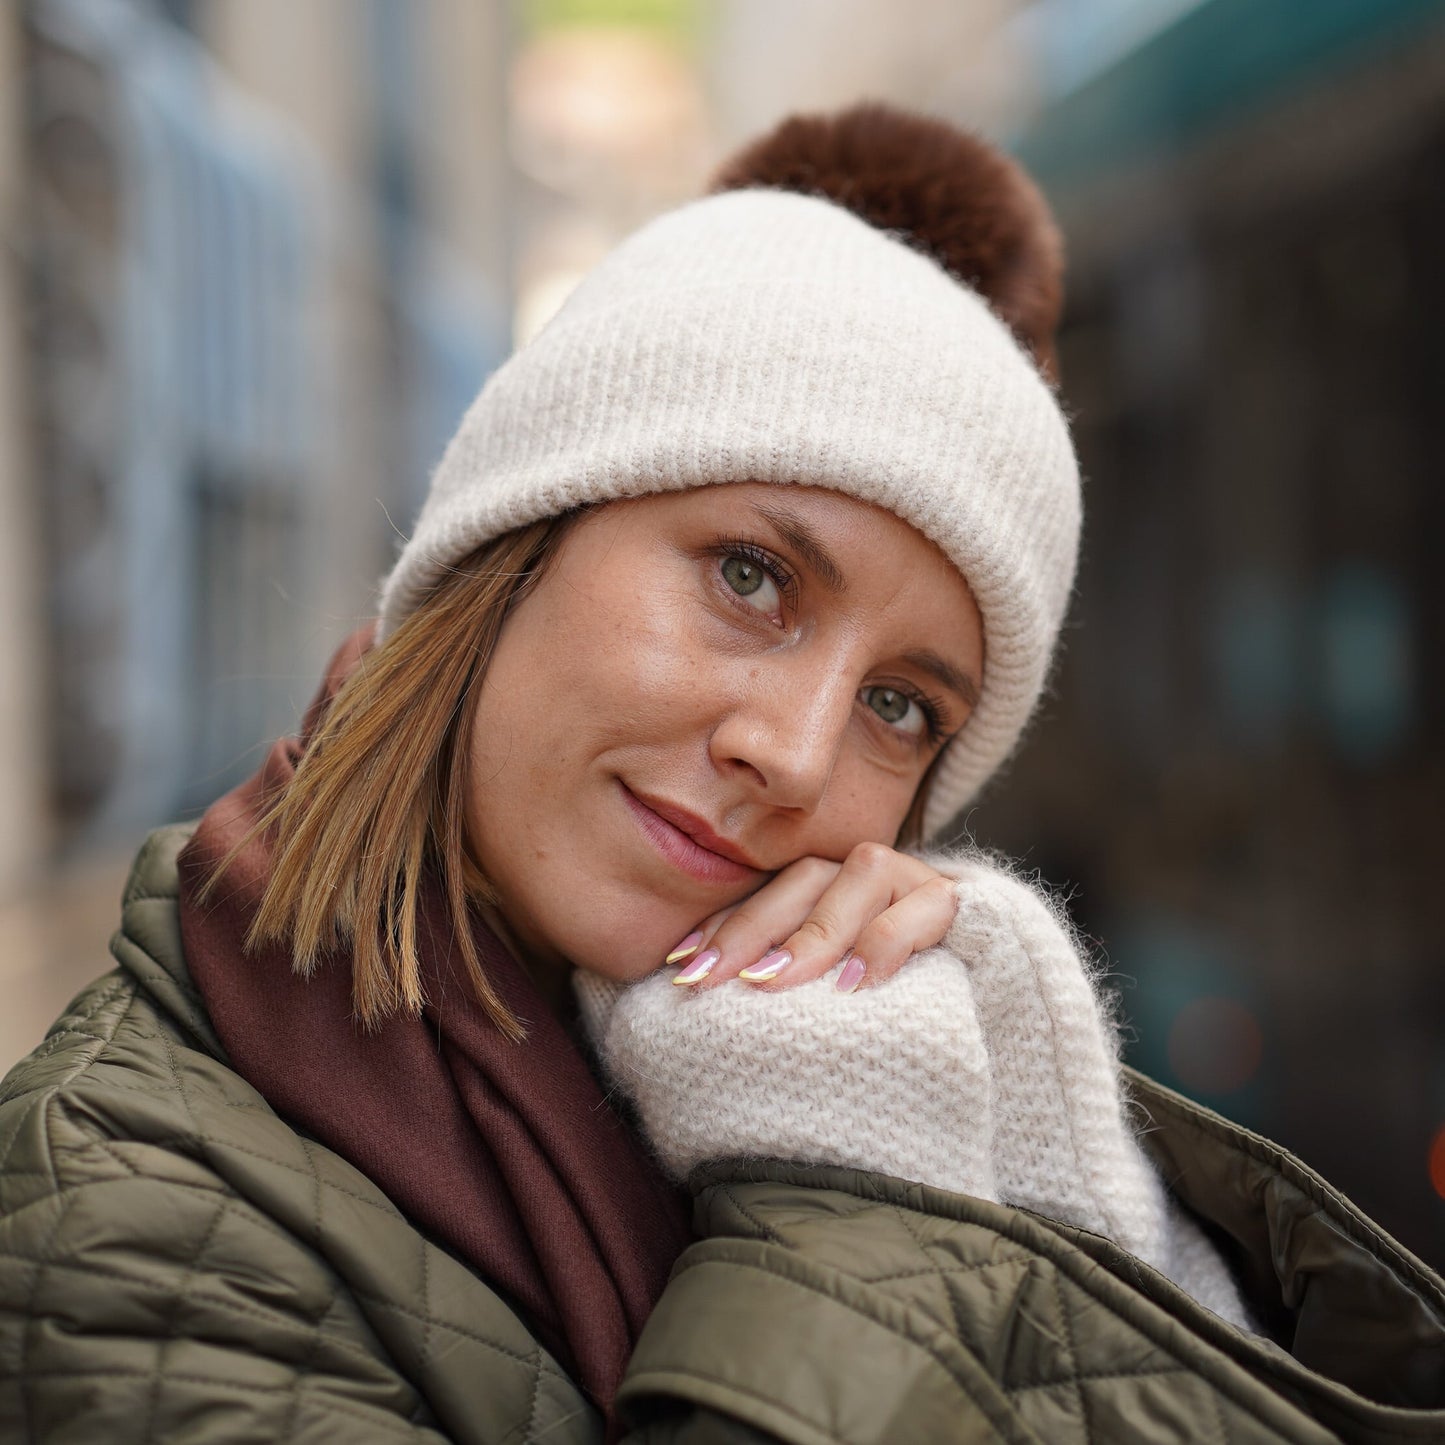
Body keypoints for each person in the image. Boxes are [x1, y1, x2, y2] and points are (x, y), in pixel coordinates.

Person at [1, 104, 1442, 1445]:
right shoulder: (123, 1215)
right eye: (749, 575)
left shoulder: (823, 1058)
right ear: (516, 547)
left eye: (897, 704)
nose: (795, 754)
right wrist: (850, 1191)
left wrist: (1023, 1155)